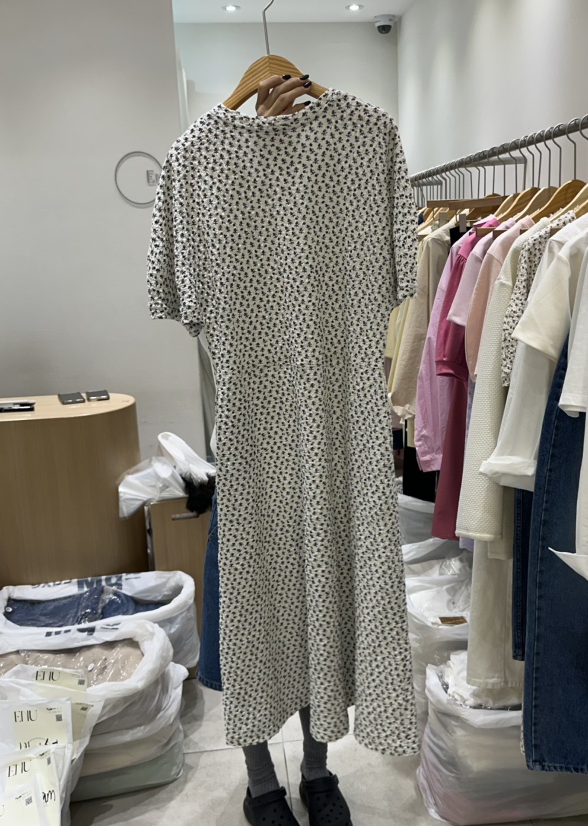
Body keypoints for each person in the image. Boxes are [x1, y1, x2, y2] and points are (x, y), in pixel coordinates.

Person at [196, 74, 354, 826]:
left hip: (331, 446)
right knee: (252, 624)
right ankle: (262, 783)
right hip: (251, 454)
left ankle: (318, 772)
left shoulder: (360, 147)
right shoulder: (198, 163)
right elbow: (179, 297)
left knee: (324, 620)